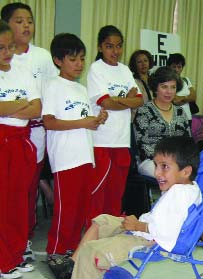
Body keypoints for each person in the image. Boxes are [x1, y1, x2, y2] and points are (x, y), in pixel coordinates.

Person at [53, 136, 202, 279]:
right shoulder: (189, 188)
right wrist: (140, 222)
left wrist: (139, 225)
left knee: (93, 250)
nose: (157, 172)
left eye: (164, 166)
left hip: (146, 240)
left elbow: (167, 232)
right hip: (143, 229)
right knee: (103, 221)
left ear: (186, 171)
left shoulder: (178, 194)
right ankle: (71, 268)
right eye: (156, 165)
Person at [42, 34, 107, 262]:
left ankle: (71, 249)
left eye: (81, 58)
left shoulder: (81, 90)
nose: (79, 64)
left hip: (85, 157)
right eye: (73, 59)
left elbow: (85, 122)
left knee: (80, 209)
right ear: (58, 60)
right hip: (66, 159)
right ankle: (56, 251)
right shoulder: (52, 86)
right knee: (66, 209)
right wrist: (84, 122)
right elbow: (48, 122)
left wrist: (97, 119)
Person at [1, 2, 58, 261]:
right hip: (7, 136)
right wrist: (22, 106)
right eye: (19, 20)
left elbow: (42, 101)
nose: (26, 26)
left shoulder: (41, 57)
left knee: (26, 190)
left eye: (30, 21)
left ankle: (21, 241)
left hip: (33, 134)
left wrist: (14, 108)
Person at [87, 25, 143, 220]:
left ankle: (110, 233)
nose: (115, 51)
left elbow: (139, 100)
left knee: (116, 193)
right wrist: (126, 101)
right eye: (109, 46)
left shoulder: (125, 70)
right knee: (98, 193)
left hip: (122, 140)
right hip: (102, 141)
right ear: (100, 47)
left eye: (119, 46)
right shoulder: (96, 69)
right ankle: (93, 234)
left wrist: (117, 100)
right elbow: (106, 102)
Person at [0, 20, 41, 278]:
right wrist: (20, 103)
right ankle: (4, 260)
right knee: (3, 203)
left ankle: (15, 254)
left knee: (18, 203)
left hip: (22, 142)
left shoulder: (22, 71)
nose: (7, 52)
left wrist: (9, 105)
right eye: (1, 47)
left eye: (10, 47)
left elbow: (36, 108)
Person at [133, 66, 191, 178]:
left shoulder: (180, 112)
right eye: (164, 87)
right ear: (155, 88)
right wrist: (167, 160)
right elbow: (143, 146)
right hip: (150, 161)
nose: (169, 92)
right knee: (171, 175)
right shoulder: (144, 111)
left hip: (177, 162)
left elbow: (187, 142)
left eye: (173, 87)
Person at [166, 53, 197, 126]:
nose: (176, 69)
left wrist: (182, 98)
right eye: (174, 67)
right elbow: (176, 101)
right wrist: (187, 98)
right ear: (169, 67)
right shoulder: (166, 81)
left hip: (188, 117)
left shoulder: (186, 80)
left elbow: (194, 97)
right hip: (173, 118)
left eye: (179, 67)